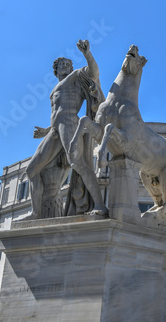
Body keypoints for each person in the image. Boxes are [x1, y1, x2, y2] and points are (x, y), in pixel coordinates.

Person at [25, 39, 108, 219]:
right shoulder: (55, 88)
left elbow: (94, 72)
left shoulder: (76, 77)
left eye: (68, 64)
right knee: (31, 170)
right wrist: (46, 131)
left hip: (70, 122)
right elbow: (57, 113)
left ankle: (100, 206)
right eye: (62, 64)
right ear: (55, 70)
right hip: (55, 129)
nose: (65, 66)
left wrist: (87, 54)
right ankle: (35, 212)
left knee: (77, 163)